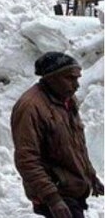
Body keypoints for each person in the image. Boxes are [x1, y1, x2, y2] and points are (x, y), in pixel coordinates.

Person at [11, 53, 103, 218]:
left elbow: (75, 145)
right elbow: (27, 159)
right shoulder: (30, 107)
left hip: (71, 189)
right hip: (57, 194)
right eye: (69, 78)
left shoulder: (66, 100)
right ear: (51, 77)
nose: (76, 85)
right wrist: (53, 199)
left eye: (77, 78)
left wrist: (90, 175)